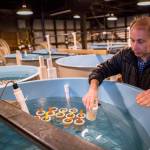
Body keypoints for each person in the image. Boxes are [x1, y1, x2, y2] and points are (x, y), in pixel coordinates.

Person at [82, 16, 150, 109]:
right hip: (131, 109)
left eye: (140, 41)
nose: (134, 47)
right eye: (132, 40)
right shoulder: (125, 55)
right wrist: (93, 88)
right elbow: (101, 70)